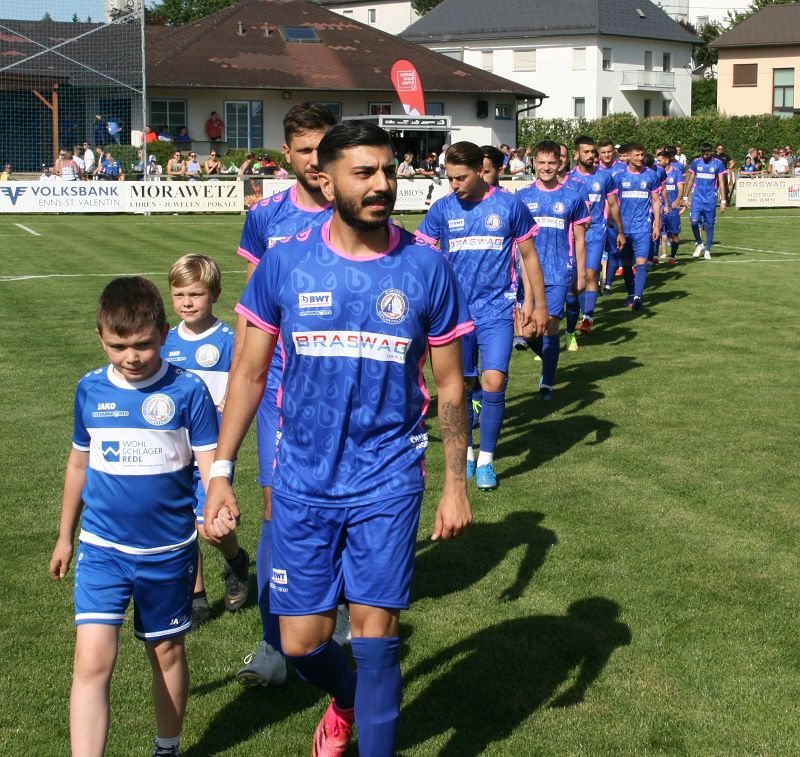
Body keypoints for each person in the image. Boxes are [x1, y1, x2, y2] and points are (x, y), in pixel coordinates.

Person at [204, 121, 473, 757]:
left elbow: (451, 386)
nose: (382, 184)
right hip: (301, 478)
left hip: (388, 476)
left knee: (376, 641)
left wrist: (455, 483)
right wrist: (220, 471)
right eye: (365, 173)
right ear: (326, 182)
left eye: (389, 171)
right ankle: (346, 699)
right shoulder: (285, 262)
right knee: (301, 643)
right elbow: (248, 373)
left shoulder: (427, 265)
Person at [49, 276, 219, 757]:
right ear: (100, 337)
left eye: (143, 344)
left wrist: (216, 505)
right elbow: (78, 463)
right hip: (102, 549)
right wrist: (65, 536)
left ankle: (167, 747)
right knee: (91, 662)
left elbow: (210, 464)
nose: (131, 357)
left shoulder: (188, 390)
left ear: (164, 334)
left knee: (165, 652)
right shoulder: (90, 389)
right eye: (118, 346)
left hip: (167, 552)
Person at [231, 103, 342, 689]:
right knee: (278, 509)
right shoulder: (266, 216)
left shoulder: (356, 209)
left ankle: (336, 612)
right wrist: (238, 380)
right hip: (280, 388)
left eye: (324, 148)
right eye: (304, 151)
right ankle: (274, 641)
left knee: (342, 504)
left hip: (345, 386)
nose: (315, 161)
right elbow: (252, 306)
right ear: (287, 154)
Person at [417, 141, 548, 489]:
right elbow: (420, 253)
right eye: (449, 177)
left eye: (460, 177)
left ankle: (487, 460)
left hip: (497, 310)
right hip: (454, 315)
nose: (454, 184)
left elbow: (529, 256)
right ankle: (468, 453)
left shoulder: (509, 205)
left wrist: (539, 305)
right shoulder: (443, 209)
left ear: (480, 171)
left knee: (493, 381)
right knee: (460, 387)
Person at [162, 255, 248, 628]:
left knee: (209, 526)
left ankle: (236, 560)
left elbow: (245, 383)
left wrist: (230, 397)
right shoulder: (165, 341)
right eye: (179, 294)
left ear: (215, 294)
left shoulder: (229, 341)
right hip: (173, 448)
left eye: (195, 294)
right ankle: (196, 599)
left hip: (212, 449)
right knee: (182, 525)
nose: (186, 303)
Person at [516, 140, 589, 392]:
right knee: (528, 332)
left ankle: (547, 382)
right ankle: (549, 361)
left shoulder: (572, 196)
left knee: (549, 326)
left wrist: (581, 274)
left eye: (551, 162)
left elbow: (580, 239)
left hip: (558, 272)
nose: (546, 167)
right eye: (542, 162)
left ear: (560, 164)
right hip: (527, 275)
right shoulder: (522, 196)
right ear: (533, 163)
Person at [569, 135, 624, 336]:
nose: (591, 155)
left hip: (596, 233)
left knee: (591, 273)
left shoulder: (604, 177)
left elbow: (613, 204)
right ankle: (576, 314)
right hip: (572, 236)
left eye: (593, 152)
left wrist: (620, 231)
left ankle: (587, 318)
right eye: (586, 152)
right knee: (574, 278)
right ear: (577, 154)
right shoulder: (569, 179)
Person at [613, 141, 662, 308]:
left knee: (641, 262)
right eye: (637, 155)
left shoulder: (651, 175)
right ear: (629, 156)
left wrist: (657, 225)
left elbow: (656, 201)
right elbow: (612, 201)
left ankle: (637, 297)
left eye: (642, 154)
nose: (641, 158)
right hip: (624, 229)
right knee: (627, 263)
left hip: (643, 227)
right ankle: (630, 293)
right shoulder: (619, 177)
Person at [682, 142, 727, 259]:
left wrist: (723, 200)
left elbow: (722, 182)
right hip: (697, 197)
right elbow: (691, 180)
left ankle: (707, 250)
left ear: (711, 152)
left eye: (707, 153)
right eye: (703, 153)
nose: (705, 156)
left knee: (709, 225)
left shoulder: (718, 163)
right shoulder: (696, 162)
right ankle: (699, 244)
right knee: (693, 222)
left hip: (710, 198)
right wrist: (685, 197)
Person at [657, 150, 685, 265]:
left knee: (674, 234)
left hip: (673, 209)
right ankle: (654, 257)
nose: (658, 163)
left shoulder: (676, 173)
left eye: (660, 160)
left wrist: (678, 200)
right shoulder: (656, 172)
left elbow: (681, 189)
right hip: (660, 207)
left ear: (667, 160)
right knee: (656, 231)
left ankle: (673, 256)